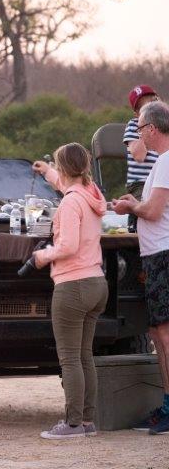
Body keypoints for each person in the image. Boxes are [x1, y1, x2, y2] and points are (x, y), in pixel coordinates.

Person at [31, 143, 108, 439]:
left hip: (73, 286)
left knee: (70, 358)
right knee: (85, 355)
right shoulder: (91, 193)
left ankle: (72, 423)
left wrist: (43, 256)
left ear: (65, 168)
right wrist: (48, 172)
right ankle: (87, 421)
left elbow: (68, 247)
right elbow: (69, 186)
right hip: (96, 284)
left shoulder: (69, 204)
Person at [112, 100, 169, 435]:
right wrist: (135, 204)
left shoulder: (163, 162)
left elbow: (155, 211)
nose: (138, 135)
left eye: (139, 128)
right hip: (157, 254)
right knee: (157, 332)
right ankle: (165, 404)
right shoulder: (161, 163)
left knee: (164, 333)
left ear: (150, 128)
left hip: (163, 254)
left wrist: (130, 208)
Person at [123, 85, 160, 231]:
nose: (149, 108)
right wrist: (144, 127)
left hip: (161, 182)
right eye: (143, 107)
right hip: (140, 183)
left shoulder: (164, 125)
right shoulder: (134, 126)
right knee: (144, 208)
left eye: (152, 101)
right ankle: (135, 230)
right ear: (136, 114)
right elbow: (139, 156)